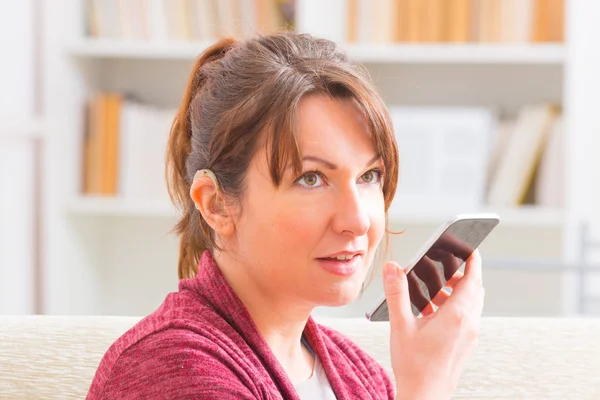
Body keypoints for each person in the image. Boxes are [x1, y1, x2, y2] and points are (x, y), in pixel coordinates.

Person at [86, 31, 484, 400]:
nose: (358, 221)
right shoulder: (170, 370)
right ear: (217, 204)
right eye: (311, 178)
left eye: (369, 176)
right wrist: (427, 387)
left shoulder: (361, 375)